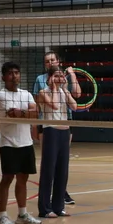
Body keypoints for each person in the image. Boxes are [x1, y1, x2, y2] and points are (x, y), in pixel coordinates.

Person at [0, 62, 41, 224]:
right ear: (3, 77)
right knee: (7, 179)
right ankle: (2, 217)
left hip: (26, 143)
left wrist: (23, 113)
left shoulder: (26, 94)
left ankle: (22, 215)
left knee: (23, 179)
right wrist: (26, 113)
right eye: (10, 73)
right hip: (9, 144)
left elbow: (36, 114)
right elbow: (13, 115)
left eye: (16, 72)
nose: (14, 76)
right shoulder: (1, 95)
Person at [33, 51, 81, 206]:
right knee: (49, 165)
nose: (59, 78)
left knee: (62, 166)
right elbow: (52, 105)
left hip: (64, 129)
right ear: (49, 78)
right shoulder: (43, 88)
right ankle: (45, 205)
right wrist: (54, 87)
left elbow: (75, 105)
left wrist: (66, 85)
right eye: (56, 76)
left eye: (61, 76)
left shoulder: (63, 90)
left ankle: (59, 203)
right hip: (50, 128)